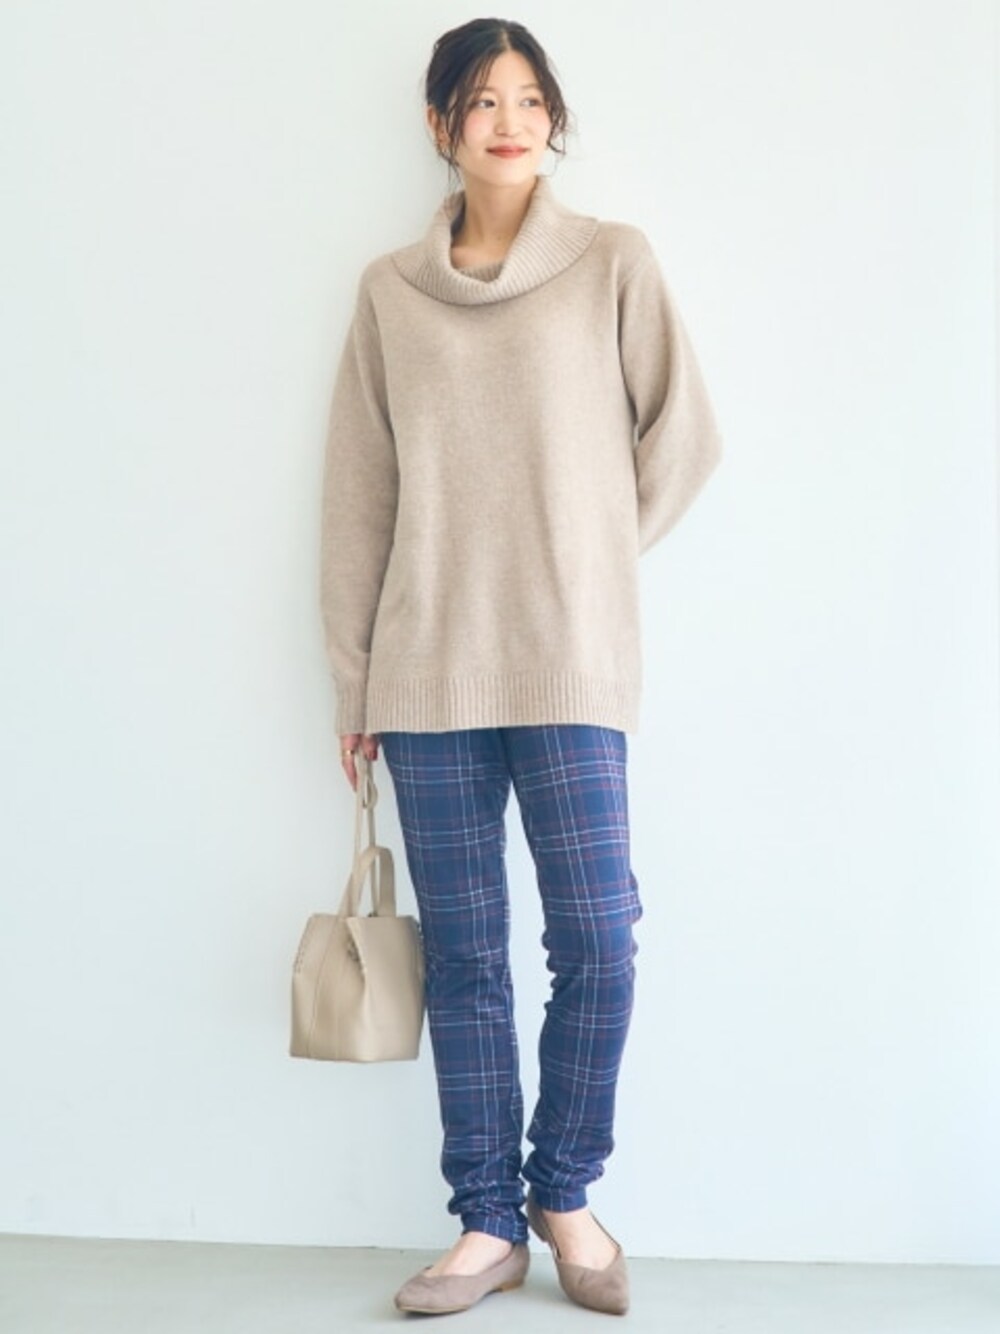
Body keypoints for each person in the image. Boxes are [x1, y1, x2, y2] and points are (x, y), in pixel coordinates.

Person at [320, 16, 722, 1317]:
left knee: (599, 935)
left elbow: (686, 438)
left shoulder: (612, 263)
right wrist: (353, 682)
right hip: (427, 670)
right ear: (440, 123)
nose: (510, 120)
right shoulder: (390, 292)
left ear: (555, 119)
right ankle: (486, 1220)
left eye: (530, 98)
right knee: (468, 956)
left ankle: (566, 1190)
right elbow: (358, 501)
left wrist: (587, 558)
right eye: (483, 99)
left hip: (569, 660)